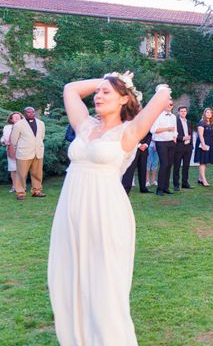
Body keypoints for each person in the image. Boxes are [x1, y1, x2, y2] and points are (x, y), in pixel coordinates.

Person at [48, 71, 171, 345]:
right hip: (71, 211)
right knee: (70, 280)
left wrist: (131, 84)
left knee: (104, 287)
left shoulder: (128, 131)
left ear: (123, 99)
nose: (98, 96)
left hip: (105, 212)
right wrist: (107, 78)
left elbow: (162, 96)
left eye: (106, 93)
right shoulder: (85, 126)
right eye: (98, 93)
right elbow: (70, 88)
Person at [10, 106, 46, 200]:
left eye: (32, 112)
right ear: (24, 113)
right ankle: (20, 193)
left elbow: (42, 137)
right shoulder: (19, 124)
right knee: (21, 174)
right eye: (28, 112)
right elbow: (14, 140)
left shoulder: (41, 123)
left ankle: (36, 191)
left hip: (38, 152)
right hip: (23, 153)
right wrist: (18, 149)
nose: (31, 114)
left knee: (37, 174)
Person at [150, 100, 177, 195]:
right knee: (164, 164)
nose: (170, 105)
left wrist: (175, 137)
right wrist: (168, 129)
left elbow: (175, 129)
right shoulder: (158, 116)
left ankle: (166, 188)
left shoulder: (173, 116)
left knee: (169, 165)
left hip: (171, 143)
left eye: (171, 104)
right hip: (161, 143)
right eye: (168, 104)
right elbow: (153, 130)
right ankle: (159, 189)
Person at [173, 105, 193, 190]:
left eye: (185, 111)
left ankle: (185, 183)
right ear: (178, 112)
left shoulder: (188, 122)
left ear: (186, 112)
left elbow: (191, 133)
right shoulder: (175, 122)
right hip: (179, 147)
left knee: (186, 166)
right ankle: (176, 185)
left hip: (188, 147)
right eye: (181, 111)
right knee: (177, 166)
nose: (183, 112)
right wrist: (182, 138)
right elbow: (174, 134)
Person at [2, 112, 22, 193]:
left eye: (19, 117)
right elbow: (3, 138)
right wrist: (4, 141)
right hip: (11, 150)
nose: (17, 118)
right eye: (15, 117)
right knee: (13, 169)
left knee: (21, 169)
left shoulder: (25, 126)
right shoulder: (7, 127)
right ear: (11, 119)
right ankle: (14, 186)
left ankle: (21, 187)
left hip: (22, 150)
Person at [195, 108, 213, 186]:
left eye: (210, 113)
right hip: (202, 144)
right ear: (204, 113)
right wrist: (203, 145)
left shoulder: (211, 123)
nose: (209, 114)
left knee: (205, 161)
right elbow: (200, 135)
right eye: (207, 112)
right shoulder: (201, 123)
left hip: (209, 144)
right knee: (202, 162)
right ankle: (204, 180)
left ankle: (200, 178)